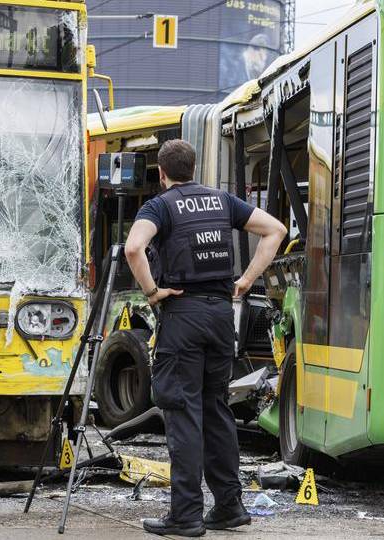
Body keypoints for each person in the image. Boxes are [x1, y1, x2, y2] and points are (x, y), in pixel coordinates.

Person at [125, 140, 288, 537]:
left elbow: (134, 247)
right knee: (216, 410)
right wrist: (246, 281)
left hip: (183, 316)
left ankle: (185, 515)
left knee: (182, 412)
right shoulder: (222, 201)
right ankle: (229, 506)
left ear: (162, 174)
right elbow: (276, 230)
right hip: (220, 317)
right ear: (193, 167)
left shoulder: (160, 206)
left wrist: (151, 292)